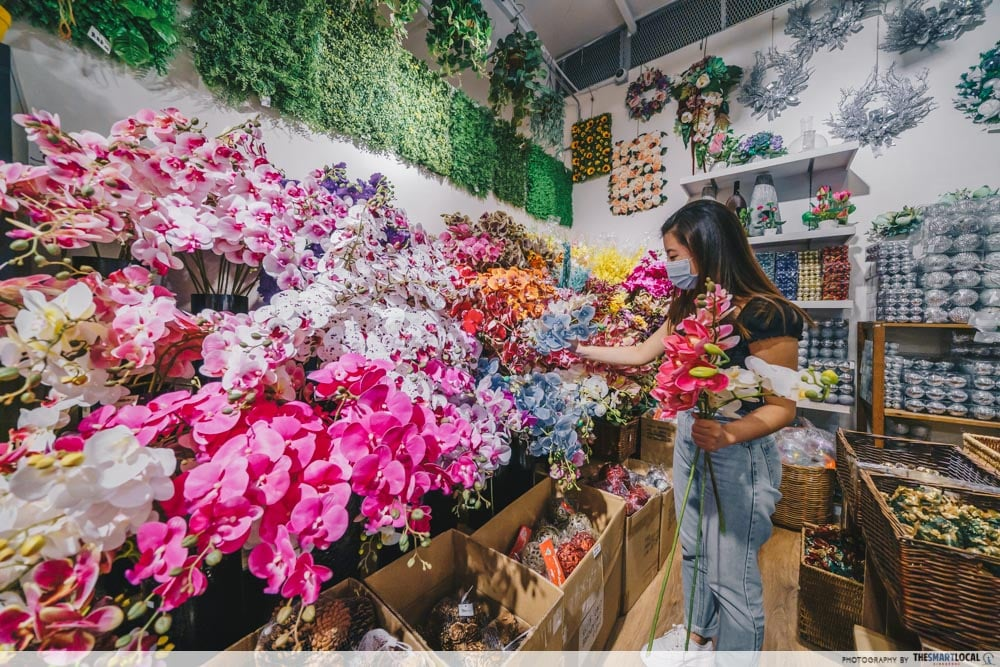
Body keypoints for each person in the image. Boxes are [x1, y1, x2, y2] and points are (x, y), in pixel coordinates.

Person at [576, 199, 807, 652]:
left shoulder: (766, 314)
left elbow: (783, 407)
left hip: (737, 450)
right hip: (692, 439)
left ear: (706, 247)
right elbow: (642, 354)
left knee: (732, 574)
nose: (669, 266)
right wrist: (580, 350)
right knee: (694, 546)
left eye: (673, 255)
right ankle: (697, 636)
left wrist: (728, 433)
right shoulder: (688, 304)